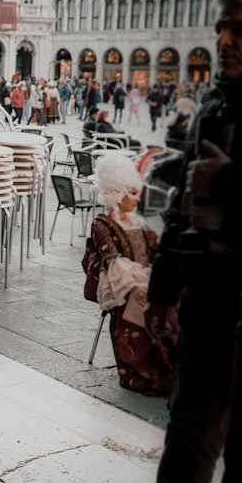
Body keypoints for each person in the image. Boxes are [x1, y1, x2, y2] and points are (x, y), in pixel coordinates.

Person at [139, 0, 242, 483]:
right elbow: (180, 210)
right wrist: (162, 293)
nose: (224, 40)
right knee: (187, 436)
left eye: (240, 29)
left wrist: (231, 180)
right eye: (220, 28)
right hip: (206, 305)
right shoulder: (212, 105)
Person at [90, 154, 172, 395]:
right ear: (117, 194)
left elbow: (157, 250)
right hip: (123, 287)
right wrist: (141, 284)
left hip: (145, 278)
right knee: (146, 302)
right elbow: (113, 262)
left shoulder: (138, 222)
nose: (137, 198)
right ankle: (145, 370)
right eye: (132, 193)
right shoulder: (102, 224)